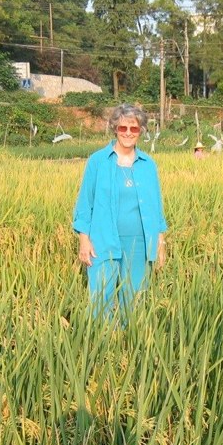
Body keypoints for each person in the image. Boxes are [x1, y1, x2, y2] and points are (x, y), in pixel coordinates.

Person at [72, 103, 168, 318]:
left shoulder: (148, 164)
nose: (128, 133)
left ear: (141, 131)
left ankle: (129, 338)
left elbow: (156, 206)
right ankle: (100, 337)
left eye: (134, 128)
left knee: (134, 301)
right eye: (123, 127)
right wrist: (84, 240)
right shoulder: (97, 161)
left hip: (139, 243)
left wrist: (160, 243)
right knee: (100, 300)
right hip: (102, 240)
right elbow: (85, 203)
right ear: (115, 128)